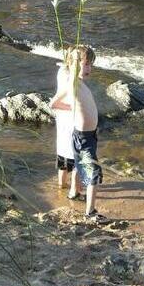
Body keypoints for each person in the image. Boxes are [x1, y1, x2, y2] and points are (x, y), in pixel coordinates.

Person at [50, 44, 107, 224]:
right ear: (73, 66)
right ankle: (90, 213)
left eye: (90, 64)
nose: (88, 68)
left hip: (89, 136)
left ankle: (74, 192)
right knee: (93, 175)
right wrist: (70, 107)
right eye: (84, 64)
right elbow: (54, 104)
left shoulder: (80, 83)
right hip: (83, 138)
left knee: (78, 166)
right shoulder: (72, 84)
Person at [52, 55, 81, 200]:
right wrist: (74, 108)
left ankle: (61, 187)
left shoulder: (62, 72)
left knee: (63, 159)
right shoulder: (72, 79)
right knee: (75, 158)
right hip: (70, 120)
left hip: (62, 121)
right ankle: (74, 191)